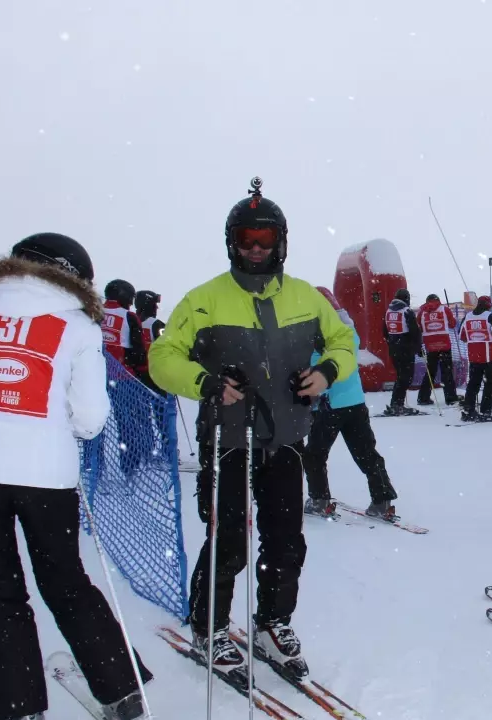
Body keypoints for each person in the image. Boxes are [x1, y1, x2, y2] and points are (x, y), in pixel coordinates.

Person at [0, 232, 155, 720]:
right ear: (74, 276)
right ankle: (123, 697)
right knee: (65, 581)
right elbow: (89, 419)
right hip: (44, 477)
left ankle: (21, 716)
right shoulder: (79, 327)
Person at [149, 178, 356, 678]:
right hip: (227, 442)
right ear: (231, 241)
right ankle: (209, 626)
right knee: (229, 541)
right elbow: (162, 357)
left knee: (286, 541)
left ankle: (271, 622)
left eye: (265, 240)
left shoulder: (307, 297)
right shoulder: (203, 301)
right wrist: (204, 381)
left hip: (284, 441)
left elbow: (342, 342)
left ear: (281, 242)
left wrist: (325, 372)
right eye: (246, 239)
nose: (256, 249)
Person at [304, 288, 399, 520]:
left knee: (314, 454)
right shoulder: (347, 328)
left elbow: (316, 366)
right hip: (355, 402)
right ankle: (382, 499)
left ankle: (319, 498)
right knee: (366, 452)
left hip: (331, 403)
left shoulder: (319, 332)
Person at [458, 294, 492, 422]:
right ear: (489, 305)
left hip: (474, 357)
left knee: (473, 384)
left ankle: (469, 408)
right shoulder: (490, 317)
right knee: (490, 384)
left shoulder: (467, 317)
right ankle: (485, 410)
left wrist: (473, 339)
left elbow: (462, 336)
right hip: (489, 357)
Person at [382, 288, 423, 415]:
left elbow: (384, 331)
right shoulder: (407, 311)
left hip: (394, 348)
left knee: (401, 376)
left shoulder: (388, 311)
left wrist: (391, 342)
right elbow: (414, 331)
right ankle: (397, 404)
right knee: (406, 377)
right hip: (405, 348)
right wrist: (418, 347)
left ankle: (396, 402)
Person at [415, 293, 460, 407]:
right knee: (447, 372)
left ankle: (423, 397)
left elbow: (418, 328)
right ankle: (451, 398)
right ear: (438, 300)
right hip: (444, 345)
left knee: (430, 372)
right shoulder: (444, 309)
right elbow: (452, 324)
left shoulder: (421, 312)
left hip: (430, 346)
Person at [101, 279, 146, 374]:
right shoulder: (129, 316)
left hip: (95, 368)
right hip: (121, 375)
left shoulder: (95, 310)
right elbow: (139, 350)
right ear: (126, 297)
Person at [133, 289, 165, 392]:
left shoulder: (132, 321)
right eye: (154, 304)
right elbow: (169, 346)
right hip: (155, 373)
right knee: (163, 405)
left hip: (136, 372)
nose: (157, 307)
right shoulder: (156, 324)